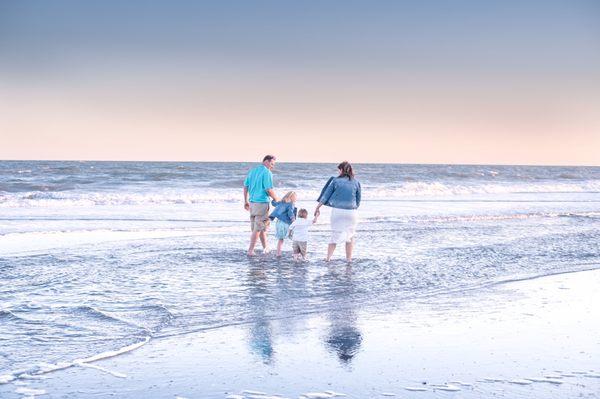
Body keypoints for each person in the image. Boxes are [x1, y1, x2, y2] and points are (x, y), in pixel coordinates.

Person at [313, 161, 361, 262]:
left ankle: (328, 258)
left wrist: (318, 207)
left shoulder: (335, 181)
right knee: (350, 236)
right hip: (351, 213)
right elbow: (358, 200)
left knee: (335, 235)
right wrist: (352, 207)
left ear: (341, 170)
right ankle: (349, 259)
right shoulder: (356, 182)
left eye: (338, 170)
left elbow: (326, 195)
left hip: (337, 212)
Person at [243, 155, 279, 256]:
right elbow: (268, 189)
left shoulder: (252, 171)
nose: (272, 166)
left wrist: (245, 201)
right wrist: (277, 199)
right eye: (272, 164)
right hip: (262, 203)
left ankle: (265, 248)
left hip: (252, 204)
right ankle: (250, 250)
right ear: (266, 161)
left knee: (260, 227)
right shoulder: (267, 172)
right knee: (258, 228)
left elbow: (245, 186)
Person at [269, 191, 297, 257]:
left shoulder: (281, 202)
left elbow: (273, 203)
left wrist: (274, 198)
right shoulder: (291, 204)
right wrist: (294, 220)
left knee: (280, 239)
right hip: (286, 223)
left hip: (278, 223)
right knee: (294, 238)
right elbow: (290, 213)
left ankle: (278, 253)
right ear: (293, 198)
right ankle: (296, 253)